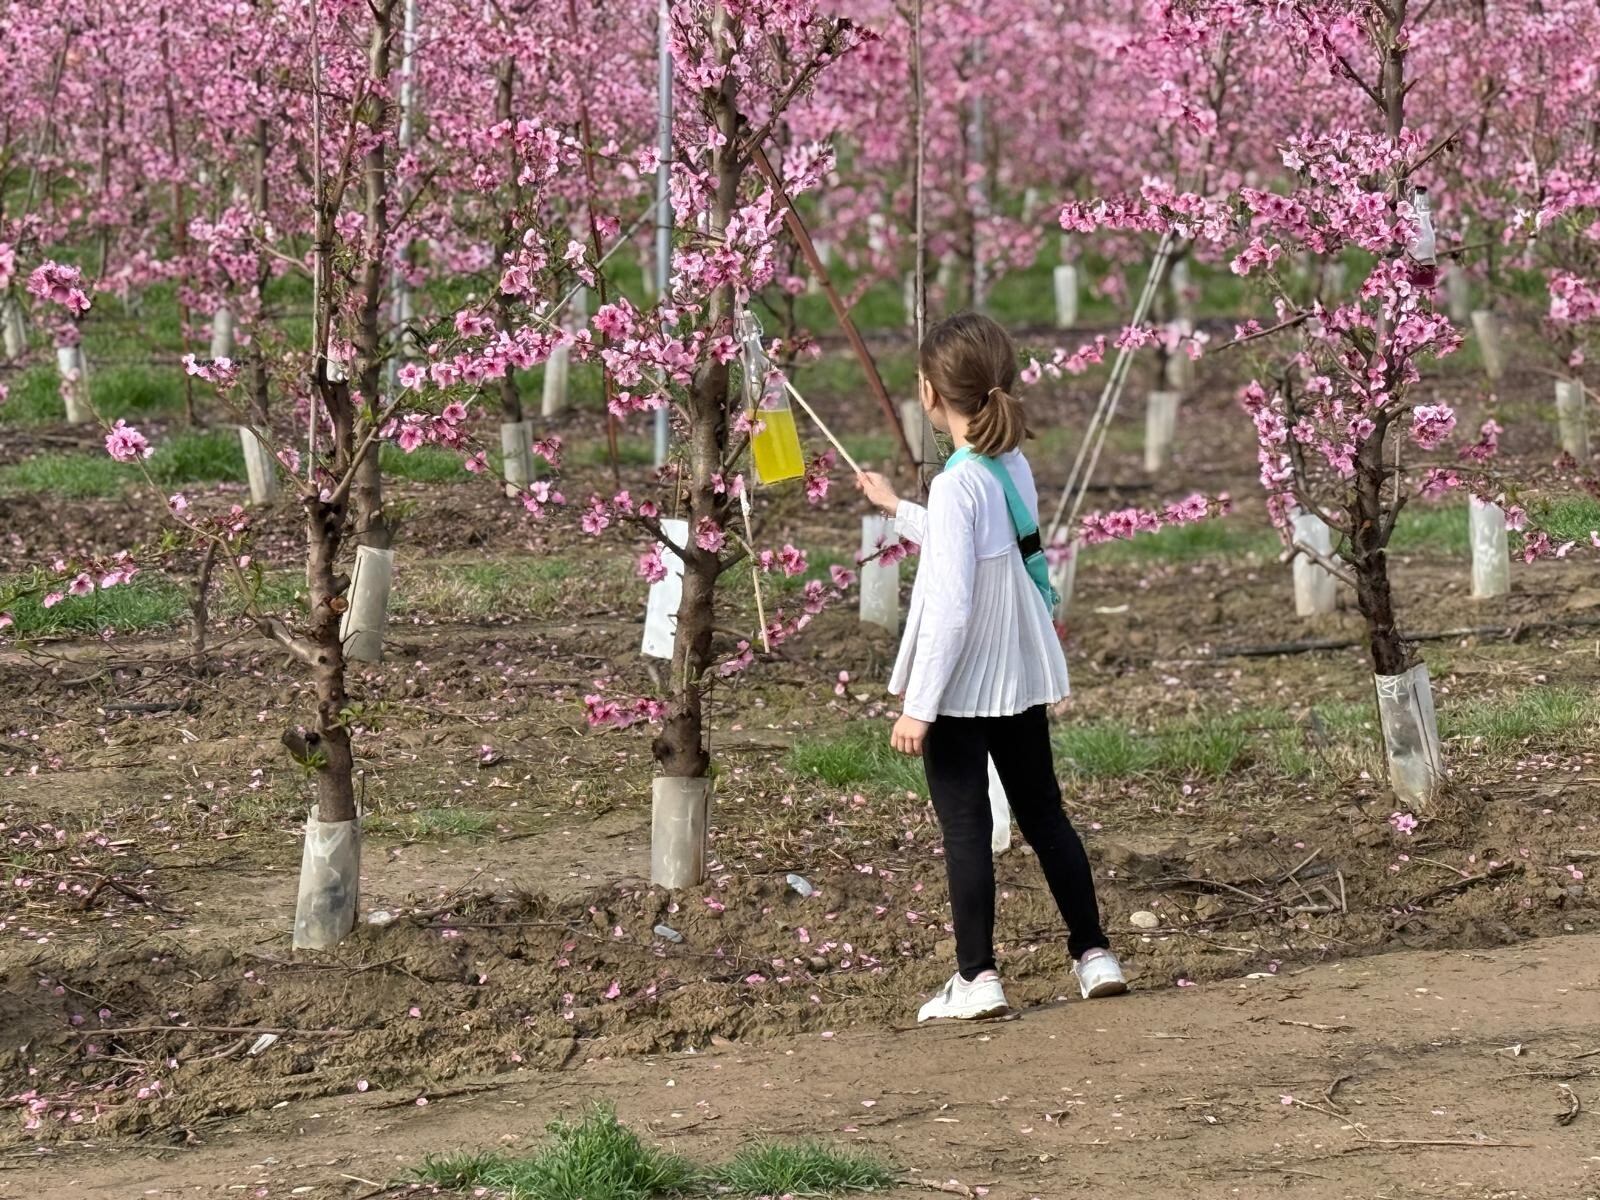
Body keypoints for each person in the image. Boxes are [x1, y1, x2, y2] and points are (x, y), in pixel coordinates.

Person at [856, 311, 1126, 1022]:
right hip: (1017, 671)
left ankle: (977, 977)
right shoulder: (1010, 467)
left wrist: (920, 703)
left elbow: (948, 599)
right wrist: (896, 508)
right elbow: (976, 544)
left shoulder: (957, 486)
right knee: (1045, 815)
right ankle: (1094, 954)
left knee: (967, 829)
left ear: (927, 393)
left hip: (960, 684)